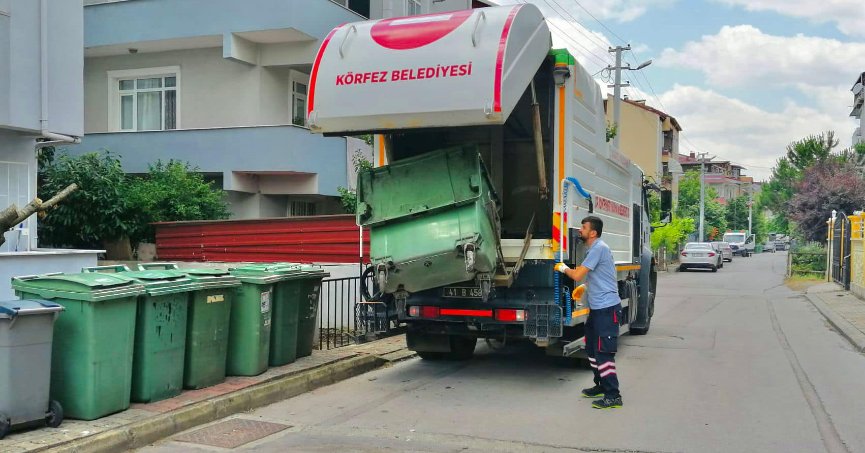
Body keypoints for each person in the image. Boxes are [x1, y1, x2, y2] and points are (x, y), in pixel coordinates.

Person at [554, 215, 623, 409]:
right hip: (597, 309)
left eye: (583, 227)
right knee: (592, 349)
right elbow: (600, 275)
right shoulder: (593, 249)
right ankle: (600, 385)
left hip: (607, 310)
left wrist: (564, 268)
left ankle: (613, 395)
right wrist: (585, 287)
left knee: (604, 352)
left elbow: (576, 274)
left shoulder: (599, 248)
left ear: (592, 232)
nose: (580, 230)